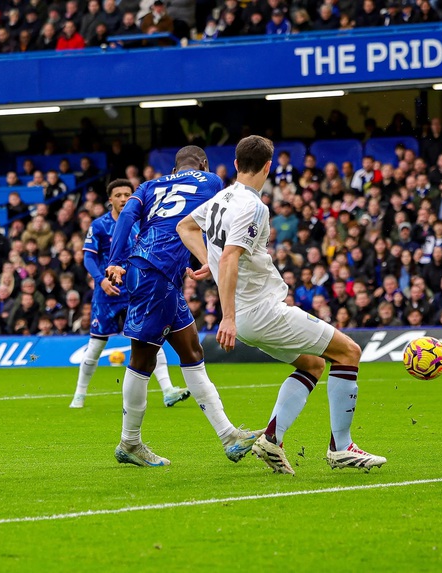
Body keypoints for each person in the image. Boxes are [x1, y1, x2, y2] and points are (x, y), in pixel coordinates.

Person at [177, 135, 386, 475]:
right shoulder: (253, 206)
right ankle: (341, 447)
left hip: (249, 317)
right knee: (348, 352)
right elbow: (230, 256)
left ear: (235, 164)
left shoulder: (221, 198)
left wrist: (208, 262)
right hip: (261, 311)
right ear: (268, 167)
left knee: (313, 366)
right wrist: (225, 314)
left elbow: (185, 227)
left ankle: (272, 440)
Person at [105, 146, 259, 467]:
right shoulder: (211, 180)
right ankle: (130, 443)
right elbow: (220, 224)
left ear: (175, 169)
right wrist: (211, 260)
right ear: (202, 164)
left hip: (152, 271)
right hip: (156, 273)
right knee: (143, 359)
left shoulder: (149, 186)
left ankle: (229, 436)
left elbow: (127, 218)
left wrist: (117, 259)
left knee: (192, 352)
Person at [69, 179, 190, 409]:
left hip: (135, 290)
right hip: (106, 294)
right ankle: (79, 394)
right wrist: (101, 280)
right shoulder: (100, 225)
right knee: (96, 346)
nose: (124, 198)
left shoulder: (138, 223)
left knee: (150, 337)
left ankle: (168, 390)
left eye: (127, 194)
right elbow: (88, 257)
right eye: (119, 195)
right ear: (110, 199)